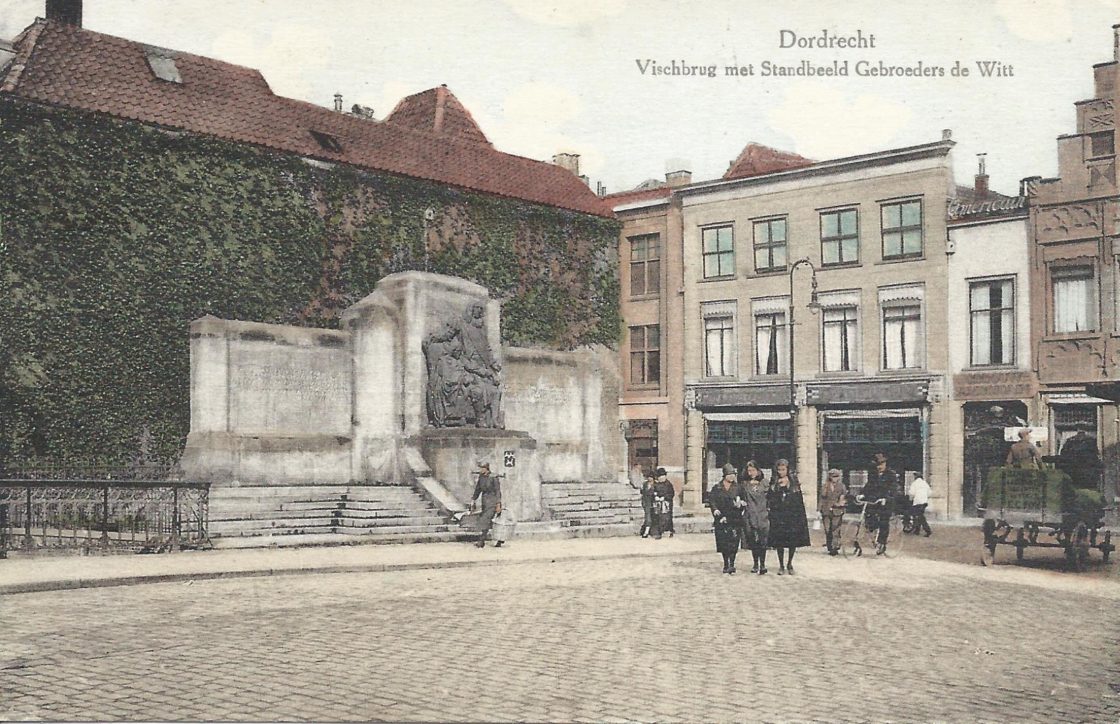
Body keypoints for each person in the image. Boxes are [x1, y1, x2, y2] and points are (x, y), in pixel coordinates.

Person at [767, 458, 810, 575]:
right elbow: (770, 498)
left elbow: (798, 500)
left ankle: (789, 563)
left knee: (792, 541)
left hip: (791, 516)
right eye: (779, 470)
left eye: (783, 469)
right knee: (779, 542)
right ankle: (781, 565)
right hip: (779, 516)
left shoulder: (793, 482)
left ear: (787, 470)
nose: (781, 472)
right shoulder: (774, 482)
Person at [862, 452, 900, 555]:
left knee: (884, 521)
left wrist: (886, 498)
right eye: (877, 465)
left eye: (881, 464)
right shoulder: (873, 474)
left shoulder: (891, 474)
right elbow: (868, 486)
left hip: (886, 502)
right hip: (875, 501)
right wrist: (862, 494)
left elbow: (893, 489)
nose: (879, 467)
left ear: (885, 464)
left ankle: (882, 543)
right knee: (869, 516)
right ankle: (874, 530)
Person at [709, 464, 743, 574]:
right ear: (724, 475)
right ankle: (726, 564)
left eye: (733, 474)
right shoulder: (717, 487)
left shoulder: (738, 488)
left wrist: (741, 504)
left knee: (734, 542)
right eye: (729, 474)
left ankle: (732, 564)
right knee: (724, 542)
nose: (732, 477)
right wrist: (715, 510)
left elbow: (743, 500)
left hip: (735, 518)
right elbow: (712, 501)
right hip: (721, 518)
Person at [739, 460, 770, 574]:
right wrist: (741, 501)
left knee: (763, 541)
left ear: (758, 470)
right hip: (750, 514)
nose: (751, 473)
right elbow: (739, 496)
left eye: (753, 470)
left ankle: (763, 564)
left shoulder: (765, 483)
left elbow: (770, 498)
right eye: (749, 471)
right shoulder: (745, 484)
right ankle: (755, 563)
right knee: (753, 540)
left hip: (762, 515)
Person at [469, 462, 502, 548]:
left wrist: (498, 504)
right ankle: (499, 539)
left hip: (493, 501)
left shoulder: (494, 477)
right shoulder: (481, 477)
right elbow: (478, 489)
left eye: (481, 468)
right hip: (485, 502)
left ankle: (481, 541)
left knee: (486, 520)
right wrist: (473, 499)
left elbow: (498, 491)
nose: (480, 470)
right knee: (489, 521)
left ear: (486, 469)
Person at [819, 468, 847, 556]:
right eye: (833, 476)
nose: (835, 478)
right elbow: (821, 498)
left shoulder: (841, 486)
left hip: (837, 510)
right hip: (826, 510)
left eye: (836, 476)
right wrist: (819, 509)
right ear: (830, 477)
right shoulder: (825, 486)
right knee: (827, 529)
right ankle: (830, 547)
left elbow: (843, 497)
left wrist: (840, 503)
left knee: (835, 529)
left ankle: (835, 547)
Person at [653, 467, 676, 537]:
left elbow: (671, 494)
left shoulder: (668, 484)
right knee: (659, 517)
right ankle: (660, 532)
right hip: (658, 504)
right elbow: (654, 491)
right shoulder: (656, 484)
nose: (661, 478)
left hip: (667, 504)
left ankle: (669, 531)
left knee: (667, 517)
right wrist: (655, 496)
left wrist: (665, 497)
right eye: (659, 476)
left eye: (662, 476)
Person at [639, 473, 656, 538]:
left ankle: (652, 531)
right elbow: (642, 492)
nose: (649, 478)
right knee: (648, 517)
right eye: (648, 477)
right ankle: (646, 532)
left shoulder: (656, 484)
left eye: (651, 477)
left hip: (654, 503)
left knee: (653, 517)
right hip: (646, 503)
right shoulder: (645, 484)